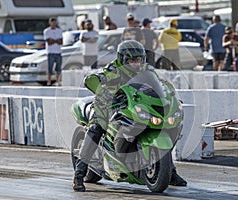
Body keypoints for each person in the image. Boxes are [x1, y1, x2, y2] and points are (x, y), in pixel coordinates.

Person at [72, 40, 187, 192]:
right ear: (122, 59)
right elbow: (93, 79)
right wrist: (101, 86)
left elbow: (159, 85)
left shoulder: (146, 71)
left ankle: (170, 172)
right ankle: (79, 175)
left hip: (132, 105)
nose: (135, 63)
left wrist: (167, 95)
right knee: (96, 128)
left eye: (138, 60)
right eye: (132, 60)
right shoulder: (114, 69)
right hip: (107, 105)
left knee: (165, 127)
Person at [43, 17, 63, 86]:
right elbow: (49, 42)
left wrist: (53, 40)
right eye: (52, 22)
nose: (53, 24)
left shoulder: (59, 31)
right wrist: (56, 40)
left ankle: (58, 81)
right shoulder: (46, 31)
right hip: (50, 52)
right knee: (50, 68)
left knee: (58, 68)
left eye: (54, 22)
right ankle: (49, 82)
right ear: (50, 23)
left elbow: (60, 41)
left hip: (58, 52)